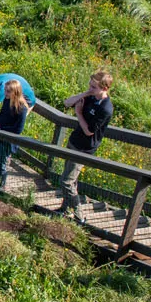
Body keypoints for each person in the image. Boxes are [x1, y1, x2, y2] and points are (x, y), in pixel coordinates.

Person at [59, 71, 114, 218]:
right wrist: (85, 93)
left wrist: (78, 113)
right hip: (74, 141)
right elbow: (67, 102)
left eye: (94, 87)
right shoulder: (90, 97)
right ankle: (65, 209)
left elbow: (89, 131)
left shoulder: (106, 109)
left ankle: (79, 214)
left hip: (84, 148)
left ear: (105, 88)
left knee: (66, 181)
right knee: (71, 180)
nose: (90, 89)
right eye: (90, 85)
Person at [0, 79, 30, 192]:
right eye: (5, 90)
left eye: (8, 91)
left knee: (0, 163)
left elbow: (18, 129)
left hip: (9, 139)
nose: (5, 93)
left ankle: (0, 187)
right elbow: (1, 114)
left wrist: (1, 128)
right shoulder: (6, 100)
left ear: (15, 92)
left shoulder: (22, 107)